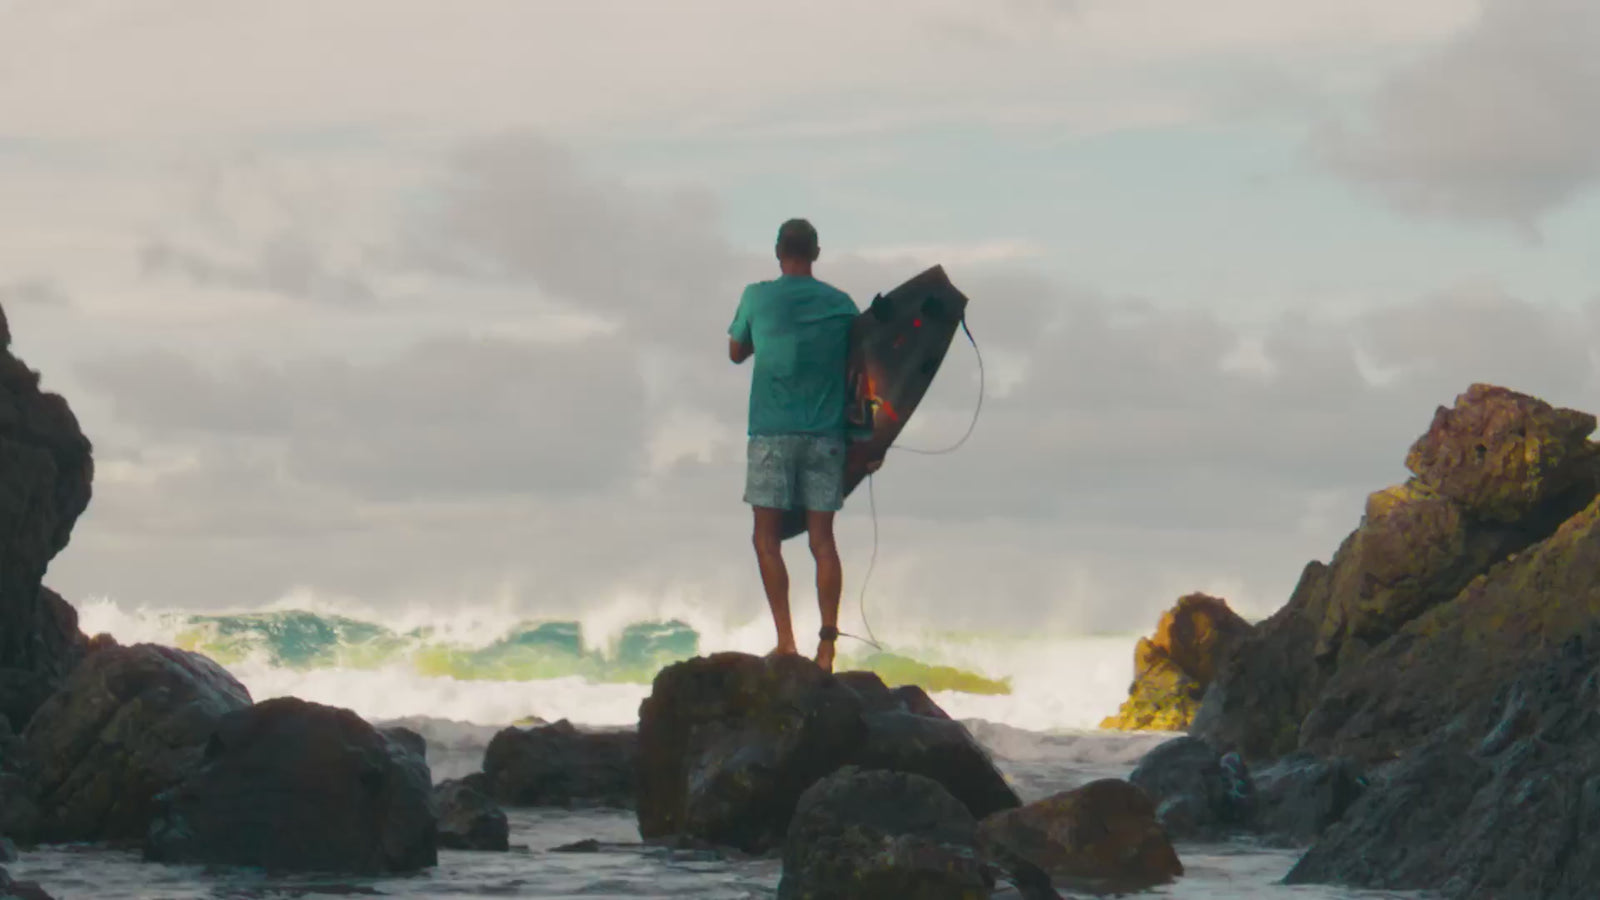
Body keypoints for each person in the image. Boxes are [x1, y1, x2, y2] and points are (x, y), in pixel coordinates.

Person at [727, 218, 878, 672]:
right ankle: (827, 648)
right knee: (822, 540)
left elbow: (736, 352)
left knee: (766, 538)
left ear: (778, 251)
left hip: (772, 433)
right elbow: (861, 367)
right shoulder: (841, 305)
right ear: (816, 252)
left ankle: (787, 642)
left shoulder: (757, 296)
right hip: (826, 435)